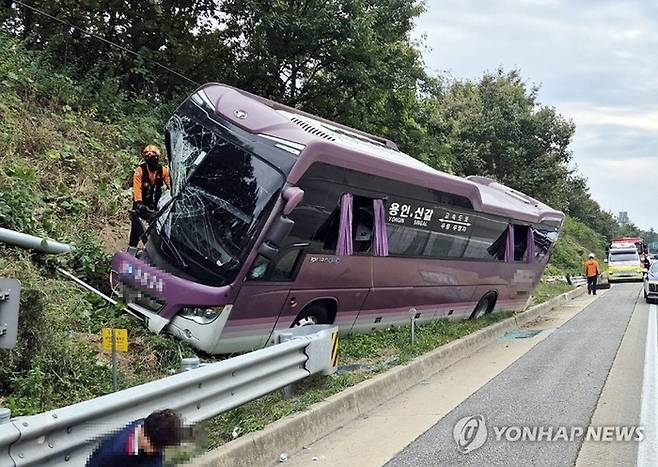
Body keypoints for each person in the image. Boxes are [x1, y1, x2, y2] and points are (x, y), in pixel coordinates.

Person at [86, 409, 183, 466]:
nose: (153, 451)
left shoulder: (153, 431)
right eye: (153, 446)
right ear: (144, 433)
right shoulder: (111, 453)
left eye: (160, 448)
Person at [129, 144, 170, 248]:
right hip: (141, 205)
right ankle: (132, 248)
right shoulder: (140, 171)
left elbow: (171, 185)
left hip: (155, 206)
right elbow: (137, 188)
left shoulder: (163, 171)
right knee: (136, 229)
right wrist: (138, 204)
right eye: (148, 158)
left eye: (153, 157)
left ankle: (153, 249)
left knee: (157, 230)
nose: (151, 160)